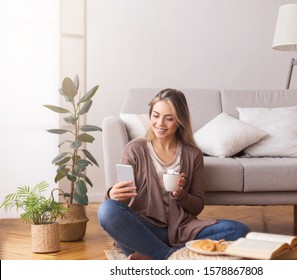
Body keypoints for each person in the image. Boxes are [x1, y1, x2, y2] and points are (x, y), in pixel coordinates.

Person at [98, 88, 249, 260]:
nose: (160, 123)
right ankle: (171, 256)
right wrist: (113, 194)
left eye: (169, 118)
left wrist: (180, 195)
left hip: (182, 228)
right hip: (144, 229)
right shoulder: (135, 149)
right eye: (155, 115)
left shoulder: (193, 154)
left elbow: (197, 205)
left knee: (239, 231)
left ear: (180, 121)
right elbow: (123, 202)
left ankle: (155, 255)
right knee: (107, 210)